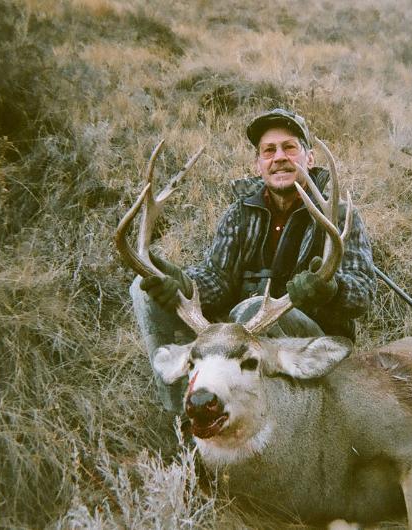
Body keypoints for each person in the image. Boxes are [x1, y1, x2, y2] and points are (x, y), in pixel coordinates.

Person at [130, 108, 376, 412]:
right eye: (268, 151)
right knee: (143, 287)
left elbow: (363, 293)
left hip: (304, 345)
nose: (279, 157)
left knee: (249, 309)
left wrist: (331, 290)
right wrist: (181, 282)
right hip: (240, 341)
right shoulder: (240, 213)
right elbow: (217, 278)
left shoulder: (337, 216)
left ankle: (270, 414)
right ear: (258, 164)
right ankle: (183, 412)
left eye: (289, 147)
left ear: (309, 158)